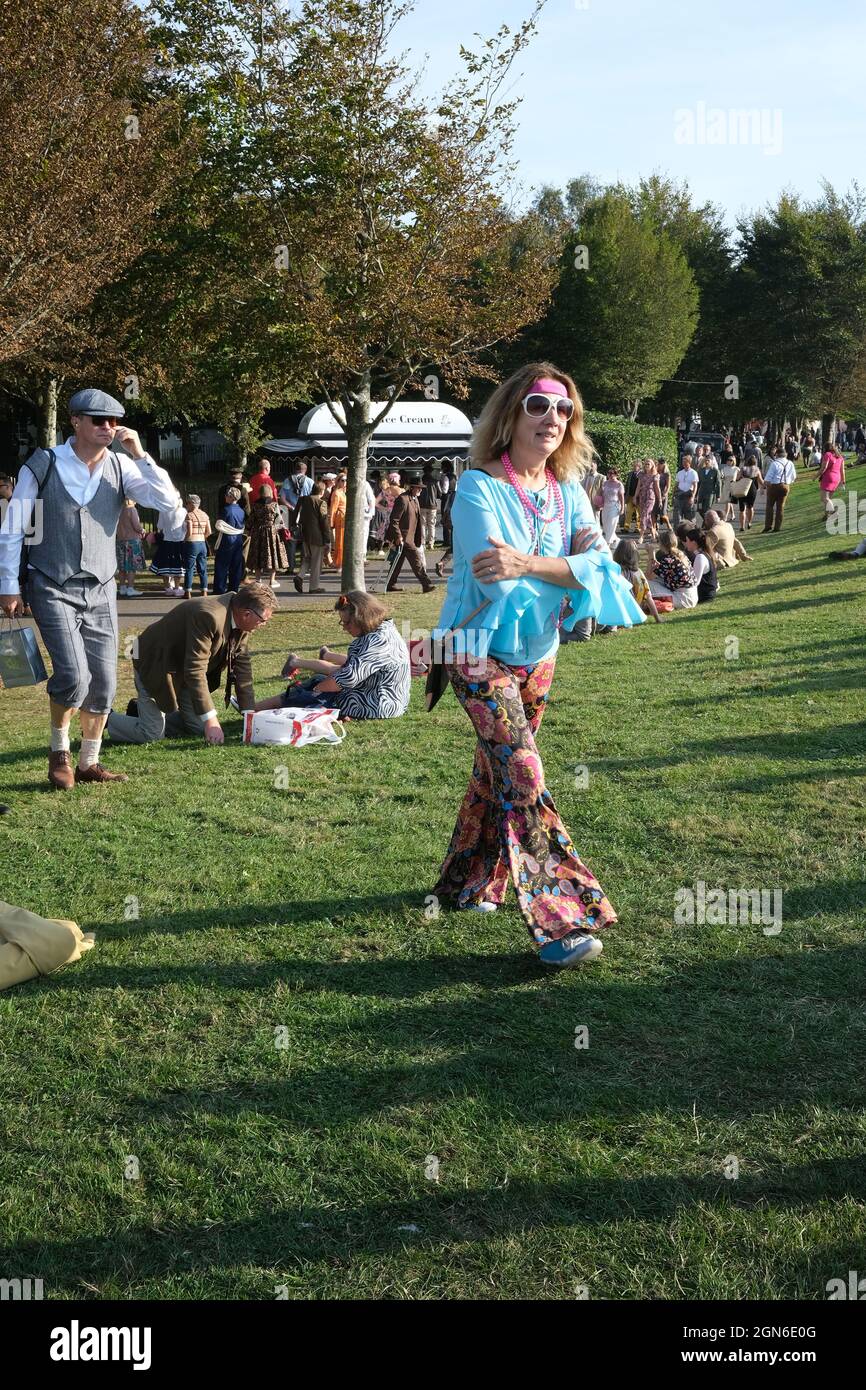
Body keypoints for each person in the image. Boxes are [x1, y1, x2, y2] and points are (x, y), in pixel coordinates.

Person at [430, 362, 644, 969]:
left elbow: (603, 568)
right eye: (539, 405)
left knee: (495, 771)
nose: (553, 417)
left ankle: (467, 884)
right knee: (523, 771)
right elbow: (494, 575)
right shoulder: (476, 486)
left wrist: (531, 564)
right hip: (473, 651)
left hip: (539, 655)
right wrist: (563, 569)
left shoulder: (569, 492)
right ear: (511, 414)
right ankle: (561, 920)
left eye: (563, 408)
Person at [0, 387, 182, 788]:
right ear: (75, 421)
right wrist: (8, 584)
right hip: (52, 583)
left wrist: (140, 454)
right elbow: (13, 527)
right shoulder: (43, 464)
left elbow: (168, 503)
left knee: (104, 680)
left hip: (101, 588)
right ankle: (59, 752)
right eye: (98, 420)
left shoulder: (121, 466)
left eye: (113, 421)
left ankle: (89, 762)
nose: (107, 427)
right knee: (74, 675)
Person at [105, 582, 274, 744]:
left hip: (182, 667)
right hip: (155, 660)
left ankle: (143, 714)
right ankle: (103, 718)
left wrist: (249, 715)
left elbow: (242, 666)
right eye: (263, 620)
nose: (264, 625)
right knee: (151, 735)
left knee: (200, 727)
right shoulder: (209, 616)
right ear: (246, 614)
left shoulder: (241, 619)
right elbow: (195, 669)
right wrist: (211, 719)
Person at [256, 590, 411, 719]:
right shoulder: (384, 630)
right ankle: (258, 709)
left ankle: (256, 711)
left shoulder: (377, 641)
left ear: (361, 618)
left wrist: (317, 690)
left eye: (347, 622)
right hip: (381, 698)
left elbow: (348, 677)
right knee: (318, 682)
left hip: (377, 704)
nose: (344, 627)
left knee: (310, 693)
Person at [385, 474, 435, 592]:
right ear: (412, 487)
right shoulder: (402, 499)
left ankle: (390, 584)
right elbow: (394, 520)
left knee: (397, 563)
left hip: (410, 537)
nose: (420, 490)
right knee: (417, 561)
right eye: (418, 487)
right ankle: (426, 584)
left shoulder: (414, 499)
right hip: (404, 538)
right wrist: (398, 537)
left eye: (421, 488)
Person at [293, 480, 332, 593]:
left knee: (307, 559)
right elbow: (324, 523)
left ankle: (299, 576)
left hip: (304, 534)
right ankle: (314, 587)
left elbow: (296, 514)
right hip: (317, 537)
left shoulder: (303, 500)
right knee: (316, 562)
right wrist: (327, 540)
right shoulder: (321, 503)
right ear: (322, 491)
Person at [246, 482, 286, 587]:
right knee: (273, 555)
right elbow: (280, 521)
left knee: (258, 556)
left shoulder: (255, 505)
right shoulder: (274, 505)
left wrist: (248, 529)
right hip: (272, 532)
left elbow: (250, 521)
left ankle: (258, 580)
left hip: (258, 532)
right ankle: (272, 580)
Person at [612, 538, 661, 621]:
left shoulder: (615, 572)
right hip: (636, 614)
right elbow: (648, 597)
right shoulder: (638, 573)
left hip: (620, 614)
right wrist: (657, 618)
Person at [647, 530, 698, 609]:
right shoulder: (681, 555)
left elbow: (648, 577)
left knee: (648, 583)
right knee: (656, 580)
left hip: (683, 599)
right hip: (692, 596)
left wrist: (650, 554)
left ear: (662, 544)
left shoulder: (668, 559)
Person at [278, 460, 313, 575]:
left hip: (290, 512)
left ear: (295, 469)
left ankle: (290, 567)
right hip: (305, 512)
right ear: (305, 470)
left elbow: (282, 499)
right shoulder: (310, 481)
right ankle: (304, 568)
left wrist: (292, 507)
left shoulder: (287, 481)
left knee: (290, 539)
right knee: (305, 540)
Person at [213, 486, 246, 594]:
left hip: (227, 539)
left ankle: (219, 589)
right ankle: (233, 589)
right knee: (236, 565)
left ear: (231, 497)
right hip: (238, 540)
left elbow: (219, 524)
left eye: (227, 495)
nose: (225, 497)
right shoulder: (241, 511)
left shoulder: (226, 510)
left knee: (222, 565)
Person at [150, 502, 188, 594]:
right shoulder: (183, 511)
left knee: (165, 564)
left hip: (166, 541)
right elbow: (185, 527)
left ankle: (167, 587)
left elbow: (160, 526)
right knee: (179, 563)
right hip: (180, 541)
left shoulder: (163, 510)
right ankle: (177, 587)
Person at [181, 493, 211, 598]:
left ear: (191, 504)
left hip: (192, 543)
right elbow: (209, 531)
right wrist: (202, 537)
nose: (186, 505)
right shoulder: (205, 515)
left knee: (189, 568)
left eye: (187, 503)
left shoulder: (189, 515)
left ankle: (188, 591)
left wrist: (184, 540)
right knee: (202, 568)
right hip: (202, 543)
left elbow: (189, 531)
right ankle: (204, 590)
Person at [761, 446, 797, 533]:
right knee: (780, 507)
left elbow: (768, 477)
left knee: (770, 506)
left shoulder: (775, 463)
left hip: (774, 485)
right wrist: (788, 482)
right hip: (785, 485)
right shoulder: (790, 463)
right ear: (785, 455)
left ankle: (768, 526)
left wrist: (765, 484)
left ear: (777, 455)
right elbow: (794, 477)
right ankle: (777, 527)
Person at [116, 498, 146, 597]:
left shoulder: (119, 509)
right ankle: (130, 588)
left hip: (120, 540)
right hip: (132, 541)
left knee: (122, 566)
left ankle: (122, 587)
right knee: (131, 567)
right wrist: (142, 530)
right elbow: (136, 526)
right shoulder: (132, 509)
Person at [682, 530, 719, 603]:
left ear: (694, 542)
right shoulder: (705, 553)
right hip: (707, 593)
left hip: (704, 596)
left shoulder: (700, 557)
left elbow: (695, 582)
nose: (686, 543)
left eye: (687, 541)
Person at [635, 459, 662, 540]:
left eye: (648, 464)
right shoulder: (641, 474)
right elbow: (638, 486)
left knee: (644, 514)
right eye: (646, 464)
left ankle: (641, 536)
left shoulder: (655, 475)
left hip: (650, 496)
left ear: (652, 465)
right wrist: (635, 496)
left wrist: (660, 499)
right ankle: (654, 535)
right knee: (648, 516)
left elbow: (657, 488)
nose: (647, 465)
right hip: (642, 496)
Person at [817, 442, 845, 519]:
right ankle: (826, 515)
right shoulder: (840, 457)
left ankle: (833, 512)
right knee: (828, 498)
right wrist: (843, 481)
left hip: (828, 478)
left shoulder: (827, 454)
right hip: (837, 478)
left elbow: (824, 467)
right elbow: (842, 470)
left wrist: (816, 476)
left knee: (824, 498)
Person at [735, 455, 763, 531]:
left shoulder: (743, 469)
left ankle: (742, 526)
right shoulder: (757, 470)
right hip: (752, 490)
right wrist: (764, 486)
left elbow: (737, 478)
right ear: (755, 462)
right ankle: (749, 522)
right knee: (750, 507)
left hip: (743, 489)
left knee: (742, 509)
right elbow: (760, 481)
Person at [599, 466, 624, 545]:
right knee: (606, 526)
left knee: (611, 525)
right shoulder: (605, 483)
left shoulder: (619, 484)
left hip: (614, 506)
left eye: (612, 473)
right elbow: (601, 495)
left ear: (616, 474)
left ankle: (607, 544)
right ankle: (616, 540)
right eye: (609, 473)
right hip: (605, 506)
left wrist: (622, 508)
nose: (610, 475)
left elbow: (621, 497)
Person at [327, 471, 347, 569]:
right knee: (339, 541)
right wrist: (331, 522)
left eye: (346, 480)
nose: (345, 482)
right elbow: (333, 509)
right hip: (339, 518)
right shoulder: (336, 493)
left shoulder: (344, 492)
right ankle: (339, 563)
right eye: (342, 480)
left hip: (345, 518)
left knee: (344, 541)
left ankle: (342, 561)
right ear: (338, 481)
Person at [673, 453, 698, 523]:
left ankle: (691, 532)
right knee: (677, 517)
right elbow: (676, 485)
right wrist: (673, 495)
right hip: (679, 495)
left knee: (690, 518)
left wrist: (692, 497)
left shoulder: (693, 473)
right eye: (683, 462)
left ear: (689, 462)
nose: (683, 463)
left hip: (688, 495)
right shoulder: (679, 473)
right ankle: (677, 532)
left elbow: (695, 486)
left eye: (685, 462)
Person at [418, 468, 439, 551]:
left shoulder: (421, 481)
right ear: (431, 471)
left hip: (422, 504)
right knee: (431, 525)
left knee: (422, 525)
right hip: (433, 505)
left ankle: (423, 544)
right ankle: (431, 543)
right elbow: (439, 493)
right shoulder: (435, 481)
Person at [696, 452, 721, 516]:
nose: (707, 462)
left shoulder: (715, 471)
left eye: (708, 460)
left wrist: (718, 496)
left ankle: (706, 525)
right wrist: (696, 495)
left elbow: (718, 483)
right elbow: (698, 483)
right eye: (706, 460)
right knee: (699, 509)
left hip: (710, 493)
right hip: (701, 493)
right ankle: (707, 523)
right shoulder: (701, 470)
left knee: (707, 510)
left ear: (712, 461)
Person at [622, 460, 641, 533]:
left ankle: (638, 528)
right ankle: (626, 528)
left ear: (639, 467)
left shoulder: (642, 474)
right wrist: (626, 494)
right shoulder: (630, 474)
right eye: (633, 465)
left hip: (638, 497)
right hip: (630, 496)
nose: (634, 467)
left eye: (636, 465)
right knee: (628, 512)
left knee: (638, 513)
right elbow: (627, 484)